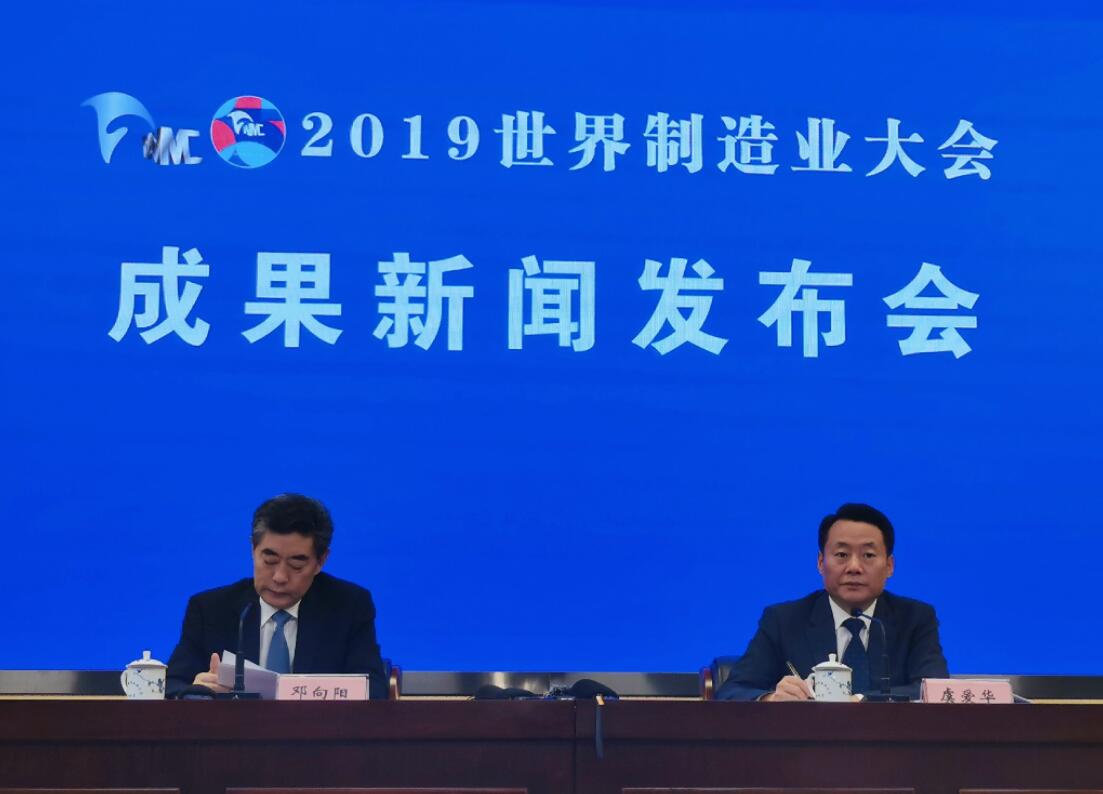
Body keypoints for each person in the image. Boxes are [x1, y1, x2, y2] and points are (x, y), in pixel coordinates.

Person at [715, 503, 947, 702]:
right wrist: (771, 699)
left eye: (868, 555)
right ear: (820, 562)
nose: (854, 567)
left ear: (889, 566)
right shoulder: (783, 620)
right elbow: (732, 691)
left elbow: (934, 690)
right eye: (842, 555)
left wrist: (858, 701)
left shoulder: (916, 619)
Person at [166, 493, 387, 698]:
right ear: (253, 550)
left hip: (318, 727)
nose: (280, 577)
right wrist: (196, 689)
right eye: (269, 560)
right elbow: (171, 685)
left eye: (296, 565)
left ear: (320, 561)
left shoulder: (348, 607)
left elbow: (374, 689)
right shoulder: (211, 610)